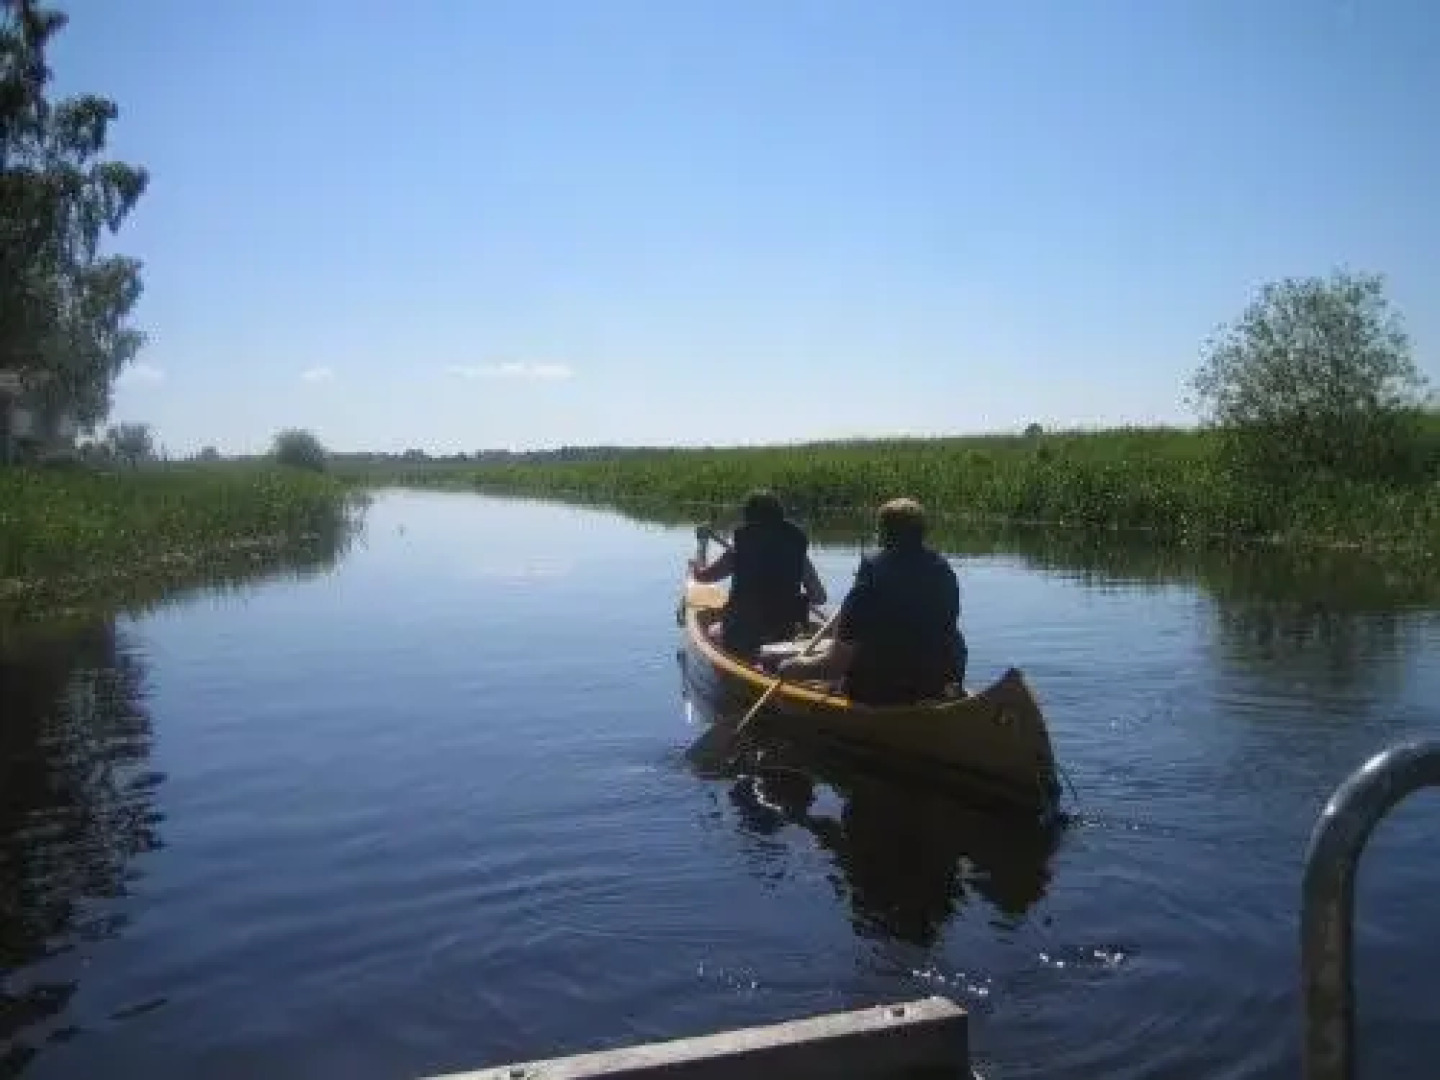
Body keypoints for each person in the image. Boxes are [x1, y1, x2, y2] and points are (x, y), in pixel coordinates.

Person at [778, 497, 967, 705]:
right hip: (934, 688)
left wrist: (791, 666)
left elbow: (834, 666)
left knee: (788, 666)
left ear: (883, 535)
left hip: (880, 695)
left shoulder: (868, 587)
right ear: (922, 534)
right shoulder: (942, 575)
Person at [690, 490, 827, 658]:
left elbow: (702, 577)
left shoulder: (739, 551)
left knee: (712, 630)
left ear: (748, 516)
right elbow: (820, 597)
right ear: (780, 516)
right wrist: (793, 598)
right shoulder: (798, 554)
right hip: (782, 636)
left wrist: (702, 545)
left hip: (744, 637)